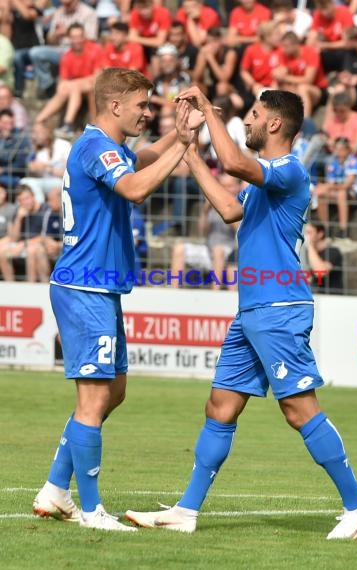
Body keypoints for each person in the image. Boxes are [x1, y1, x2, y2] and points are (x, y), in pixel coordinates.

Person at [125, 88, 357, 540]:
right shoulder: (265, 180)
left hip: (279, 308)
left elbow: (237, 162)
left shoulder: (288, 171)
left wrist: (205, 106)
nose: (248, 120)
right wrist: (188, 150)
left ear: (275, 124)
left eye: (255, 114)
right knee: (220, 407)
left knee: (299, 410)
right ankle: (186, 510)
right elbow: (228, 209)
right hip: (253, 309)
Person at [32, 67, 201, 532]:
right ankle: (91, 510)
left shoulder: (106, 147)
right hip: (84, 287)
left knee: (114, 391)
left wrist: (175, 135)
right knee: (93, 400)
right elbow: (136, 187)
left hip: (98, 287)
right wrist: (184, 147)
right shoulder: (95, 147)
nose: (148, 112)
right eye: (143, 105)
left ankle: (54, 490)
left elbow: (139, 160)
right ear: (114, 105)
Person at [312, 136, 357, 239]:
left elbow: (347, 185)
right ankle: (326, 229)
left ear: (348, 149)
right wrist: (324, 188)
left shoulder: (354, 162)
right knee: (321, 194)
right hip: (342, 192)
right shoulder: (333, 162)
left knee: (341, 193)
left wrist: (327, 186)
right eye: (336, 149)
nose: (339, 152)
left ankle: (343, 230)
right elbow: (331, 183)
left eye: (342, 149)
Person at [303, 222, 344, 295]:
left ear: (320, 234)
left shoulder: (333, 252)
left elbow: (320, 272)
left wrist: (309, 245)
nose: (306, 236)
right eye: (305, 233)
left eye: (309, 233)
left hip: (333, 299)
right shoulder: (308, 253)